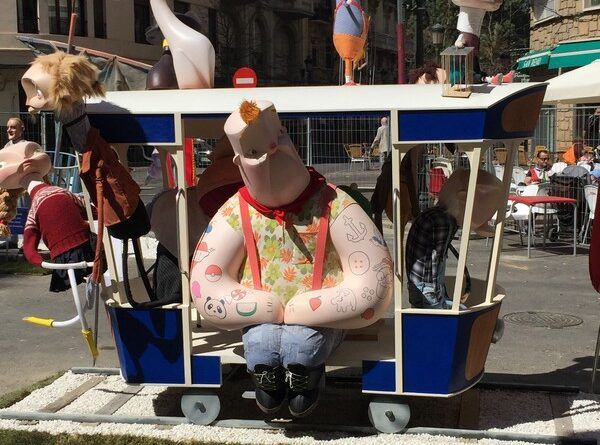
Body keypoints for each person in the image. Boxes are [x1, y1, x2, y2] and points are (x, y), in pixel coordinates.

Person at [190, 100, 392, 417]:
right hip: (262, 314)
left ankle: (305, 377)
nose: (270, 156)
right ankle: (267, 378)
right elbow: (207, 282)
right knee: (261, 343)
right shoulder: (237, 210)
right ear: (240, 162)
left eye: (277, 143)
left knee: (303, 343)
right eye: (255, 154)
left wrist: (313, 307)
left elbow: (373, 281)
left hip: (323, 315)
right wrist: (261, 305)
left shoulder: (333, 203)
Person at [406, 168, 503, 309]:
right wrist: (440, 301)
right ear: (463, 199)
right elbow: (436, 262)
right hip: (427, 289)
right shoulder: (443, 222)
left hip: (418, 283)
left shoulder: (438, 215)